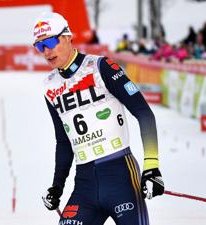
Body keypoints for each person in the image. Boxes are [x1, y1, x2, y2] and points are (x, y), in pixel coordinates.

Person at [32, 12, 164, 225]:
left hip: (120, 175)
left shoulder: (100, 67)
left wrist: (152, 165)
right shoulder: (50, 86)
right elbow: (64, 142)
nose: (46, 51)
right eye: (40, 46)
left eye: (49, 42)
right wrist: (57, 186)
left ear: (67, 37)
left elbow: (143, 113)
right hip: (85, 183)